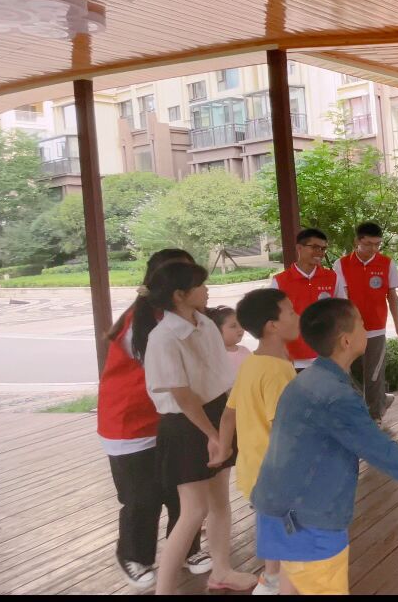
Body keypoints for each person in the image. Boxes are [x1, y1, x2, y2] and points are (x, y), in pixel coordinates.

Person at [252, 298, 398, 595]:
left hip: (277, 507)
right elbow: (379, 449)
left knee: (292, 585)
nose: (367, 329)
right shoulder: (335, 396)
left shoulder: (307, 380)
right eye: (362, 324)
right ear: (346, 340)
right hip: (307, 520)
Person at [139, 261, 256, 595]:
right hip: (186, 423)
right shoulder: (163, 337)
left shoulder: (203, 322)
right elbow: (183, 395)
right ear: (179, 295)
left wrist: (226, 426)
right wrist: (213, 435)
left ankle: (221, 571)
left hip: (216, 413)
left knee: (220, 501)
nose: (207, 290)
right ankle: (164, 590)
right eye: (200, 285)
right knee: (194, 511)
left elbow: (220, 378)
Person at [98, 249, 206, 590]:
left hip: (170, 419)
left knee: (180, 491)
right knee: (141, 497)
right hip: (130, 424)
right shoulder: (143, 322)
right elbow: (176, 377)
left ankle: (187, 549)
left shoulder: (182, 316)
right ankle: (134, 556)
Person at [212, 288, 301, 596]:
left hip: (254, 470)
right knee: (293, 545)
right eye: (291, 312)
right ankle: (275, 584)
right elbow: (283, 430)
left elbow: (228, 415)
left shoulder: (252, 362)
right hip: (278, 474)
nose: (297, 316)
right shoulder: (277, 370)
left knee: (274, 529)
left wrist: (223, 450)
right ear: (272, 325)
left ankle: (270, 579)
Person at [335, 222, 398, 420]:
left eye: (377, 244)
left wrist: (397, 325)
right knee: (354, 373)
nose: (373, 249)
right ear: (357, 241)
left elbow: (392, 296)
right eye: (368, 244)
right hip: (351, 330)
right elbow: (343, 298)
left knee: (374, 374)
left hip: (376, 329)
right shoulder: (341, 264)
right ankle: (380, 400)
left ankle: (375, 416)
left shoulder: (386, 263)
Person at [270, 228, 346, 372]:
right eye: (315, 247)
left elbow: (343, 312)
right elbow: (272, 319)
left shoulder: (333, 278)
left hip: (327, 356)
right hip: (293, 359)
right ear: (299, 248)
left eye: (323, 249)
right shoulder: (280, 281)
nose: (320, 253)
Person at [205, 306, 251, 372]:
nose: (240, 329)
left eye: (241, 324)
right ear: (216, 330)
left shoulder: (245, 351)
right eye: (233, 326)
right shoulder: (213, 356)